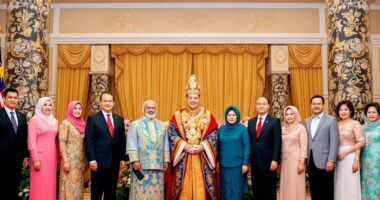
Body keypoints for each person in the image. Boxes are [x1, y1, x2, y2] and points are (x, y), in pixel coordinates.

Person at [167, 75, 219, 200]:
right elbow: (172, 134)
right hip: (183, 156)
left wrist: (203, 146)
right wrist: (184, 146)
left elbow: (214, 134)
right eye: (190, 97)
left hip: (202, 156)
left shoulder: (207, 115)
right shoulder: (177, 116)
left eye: (196, 98)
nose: (193, 100)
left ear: (199, 98)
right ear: (186, 98)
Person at [85, 93, 126, 200]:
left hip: (114, 162)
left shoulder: (119, 119)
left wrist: (122, 158)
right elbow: (89, 141)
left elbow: (122, 140)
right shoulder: (93, 118)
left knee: (111, 192)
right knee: (97, 192)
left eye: (110, 101)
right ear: (100, 103)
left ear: (113, 103)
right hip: (98, 163)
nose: (107, 103)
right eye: (105, 101)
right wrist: (92, 159)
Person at [127, 100, 170, 200]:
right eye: (148, 108)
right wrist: (135, 160)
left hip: (158, 166)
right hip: (141, 165)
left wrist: (166, 160)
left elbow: (165, 143)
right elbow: (131, 143)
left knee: (156, 194)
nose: (151, 110)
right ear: (143, 109)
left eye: (153, 108)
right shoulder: (135, 124)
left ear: (156, 110)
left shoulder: (162, 125)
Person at [304, 95, 339, 200]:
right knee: (314, 190)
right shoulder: (306, 121)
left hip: (325, 161)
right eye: (314, 104)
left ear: (323, 105)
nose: (316, 106)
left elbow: (334, 141)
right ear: (310, 105)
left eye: (318, 104)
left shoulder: (331, 120)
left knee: (327, 190)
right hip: (311, 160)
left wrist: (331, 160)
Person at [247, 96, 281, 200]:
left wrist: (275, 160)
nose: (261, 106)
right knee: (257, 190)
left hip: (269, 163)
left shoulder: (274, 121)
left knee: (269, 191)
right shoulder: (251, 122)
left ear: (268, 106)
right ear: (256, 106)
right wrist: (248, 161)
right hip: (255, 162)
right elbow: (250, 142)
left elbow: (277, 142)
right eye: (259, 104)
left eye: (263, 103)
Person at [28, 97, 59, 200]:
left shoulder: (55, 121)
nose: (47, 107)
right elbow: (31, 141)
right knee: (39, 185)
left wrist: (58, 158)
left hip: (52, 158)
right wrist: (35, 159)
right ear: (40, 106)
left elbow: (57, 141)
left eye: (49, 105)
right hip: (39, 158)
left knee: (50, 184)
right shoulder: (34, 120)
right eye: (45, 105)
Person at [0, 88, 29, 200]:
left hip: (17, 160)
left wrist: (26, 156)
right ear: (4, 98)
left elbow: (24, 138)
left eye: (15, 98)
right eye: (10, 97)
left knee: (14, 187)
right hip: (2, 159)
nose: (13, 100)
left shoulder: (22, 116)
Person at [333, 100, 365, 200]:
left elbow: (361, 142)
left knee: (350, 182)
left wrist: (356, 160)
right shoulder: (335, 124)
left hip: (350, 156)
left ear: (350, 110)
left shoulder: (355, 124)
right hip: (337, 157)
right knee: (339, 182)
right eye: (341, 110)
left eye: (345, 109)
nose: (343, 112)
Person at [219, 105, 250, 200]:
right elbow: (218, 147)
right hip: (224, 165)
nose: (231, 117)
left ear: (237, 116)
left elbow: (247, 146)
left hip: (238, 166)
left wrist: (245, 163)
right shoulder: (221, 129)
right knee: (225, 190)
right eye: (229, 115)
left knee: (236, 190)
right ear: (226, 116)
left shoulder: (242, 129)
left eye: (234, 115)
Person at [59, 101, 86, 200]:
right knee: (68, 186)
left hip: (80, 162)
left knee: (78, 187)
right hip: (69, 161)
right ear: (70, 109)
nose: (78, 111)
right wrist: (65, 161)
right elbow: (62, 143)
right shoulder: (65, 123)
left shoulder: (83, 124)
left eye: (80, 108)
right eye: (75, 108)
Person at [279, 106, 307, 200]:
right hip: (285, 161)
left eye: (291, 114)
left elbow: (304, 146)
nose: (289, 116)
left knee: (296, 184)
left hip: (296, 161)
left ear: (296, 115)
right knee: (286, 184)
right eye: (287, 114)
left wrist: (302, 162)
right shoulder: (282, 128)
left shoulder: (301, 128)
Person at [361, 102, 380, 200]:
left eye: (374, 112)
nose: (371, 114)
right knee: (366, 183)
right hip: (365, 161)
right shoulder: (362, 127)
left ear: (378, 113)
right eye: (369, 112)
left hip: (378, 161)